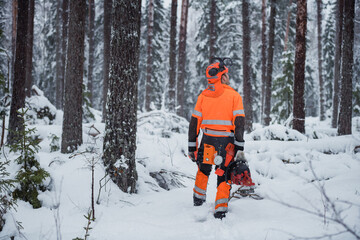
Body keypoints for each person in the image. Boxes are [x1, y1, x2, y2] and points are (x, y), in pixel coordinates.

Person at [188, 59, 245, 219]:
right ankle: (220, 209)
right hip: (227, 143)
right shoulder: (234, 96)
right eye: (226, 74)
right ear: (223, 76)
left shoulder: (203, 96)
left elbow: (194, 123)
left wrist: (192, 146)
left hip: (207, 141)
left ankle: (198, 202)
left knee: (203, 170)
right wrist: (239, 146)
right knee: (224, 174)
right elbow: (239, 123)